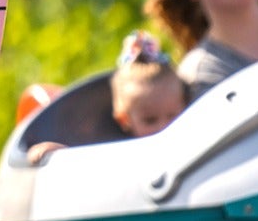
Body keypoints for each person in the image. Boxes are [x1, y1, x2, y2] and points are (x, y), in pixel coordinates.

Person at [24, 30, 190, 163]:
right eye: (150, 120)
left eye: (173, 116)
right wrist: (57, 153)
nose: (164, 127)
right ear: (125, 120)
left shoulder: (190, 145)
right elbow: (93, 167)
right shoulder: (124, 155)